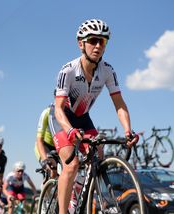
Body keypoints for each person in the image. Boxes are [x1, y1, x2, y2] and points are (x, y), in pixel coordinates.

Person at [49, 18, 139, 214]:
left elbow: (119, 104)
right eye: (93, 40)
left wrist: (127, 130)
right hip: (61, 118)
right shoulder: (68, 70)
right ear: (81, 44)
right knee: (71, 164)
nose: (98, 45)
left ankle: (84, 197)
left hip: (83, 118)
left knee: (97, 157)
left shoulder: (107, 71)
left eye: (102, 41)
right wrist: (70, 130)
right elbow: (57, 108)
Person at [34, 105, 58, 179]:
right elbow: (39, 140)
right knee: (51, 171)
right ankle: (45, 188)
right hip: (44, 145)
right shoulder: (47, 113)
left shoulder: (67, 115)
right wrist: (44, 160)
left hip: (57, 147)